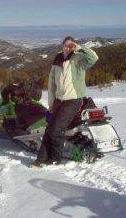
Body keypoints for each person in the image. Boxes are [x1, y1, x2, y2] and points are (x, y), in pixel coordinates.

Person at [31, 36, 99, 167]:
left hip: (73, 100)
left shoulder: (78, 58)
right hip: (58, 101)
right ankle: (41, 159)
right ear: (62, 46)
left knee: (56, 130)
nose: (68, 48)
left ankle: (55, 159)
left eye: (71, 46)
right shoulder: (57, 60)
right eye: (66, 45)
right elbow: (51, 84)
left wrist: (78, 47)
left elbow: (94, 58)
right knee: (49, 129)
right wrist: (51, 103)